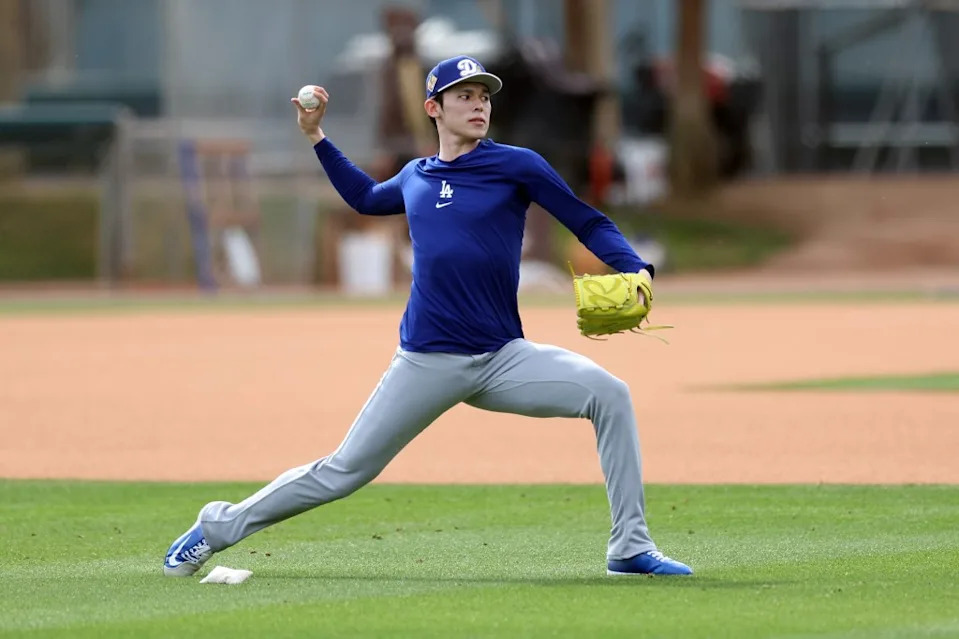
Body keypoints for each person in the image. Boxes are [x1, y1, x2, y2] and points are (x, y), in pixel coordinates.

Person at [163, 55, 692, 578]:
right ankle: (215, 528)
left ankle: (629, 547)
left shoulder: (517, 165)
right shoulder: (416, 176)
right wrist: (316, 137)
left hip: (503, 357)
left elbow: (588, 220)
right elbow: (368, 198)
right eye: (464, 95)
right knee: (344, 471)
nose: (478, 104)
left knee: (610, 395)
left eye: (484, 96)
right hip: (427, 361)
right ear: (433, 107)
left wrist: (635, 268)